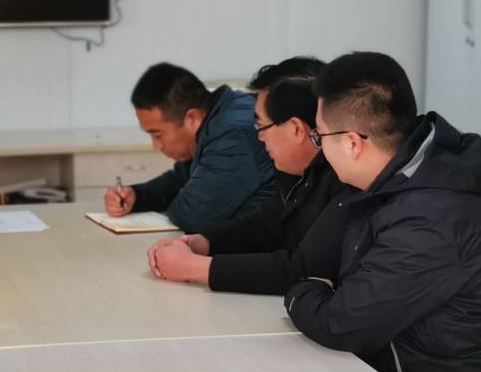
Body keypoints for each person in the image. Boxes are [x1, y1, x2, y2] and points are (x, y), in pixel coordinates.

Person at [283, 51, 481, 372]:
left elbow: (341, 324)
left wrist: (303, 291)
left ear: (352, 142)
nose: (319, 147)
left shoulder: (427, 217)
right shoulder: (400, 179)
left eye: (320, 136)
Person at [146, 56, 346, 293]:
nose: (259, 137)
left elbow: (304, 269)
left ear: (295, 129)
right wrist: (204, 243)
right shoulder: (297, 171)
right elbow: (264, 226)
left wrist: (195, 267)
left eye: (261, 126)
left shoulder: (345, 180)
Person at [102, 62, 274, 232]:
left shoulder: (232, 133)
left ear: (192, 118)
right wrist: (137, 196)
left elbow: (192, 216)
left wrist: (182, 201)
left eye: (158, 135)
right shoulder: (218, 115)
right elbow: (181, 179)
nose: (156, 145)